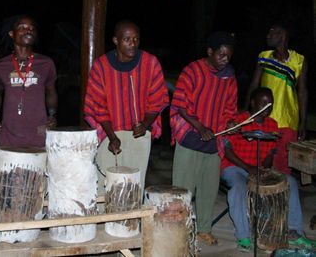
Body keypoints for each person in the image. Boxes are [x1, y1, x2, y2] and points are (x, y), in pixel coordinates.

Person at [222, 87, 314, 251]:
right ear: (252, 102)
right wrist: (248, 168)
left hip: (257, 168)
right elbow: (227, 152)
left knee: (290, 182)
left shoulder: (272, 125)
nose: (267, 107)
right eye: (263, 103)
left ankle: (293, 231)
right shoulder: (238, 121)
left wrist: (264, 169)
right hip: (235, 166)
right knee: (238, 188)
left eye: (270, 104)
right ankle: (244, 237)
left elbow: (269, 155)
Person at [84, 20, 169, 195]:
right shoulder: (101, 66)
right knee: (107, 185)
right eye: (127, 39)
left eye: (136, 39)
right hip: (109, 133)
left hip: (139, 133)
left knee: (134, 186)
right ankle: (104, 222)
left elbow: (157, 98)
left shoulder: (150, 63)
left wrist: (145, 124)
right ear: (116, 40)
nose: (133, 43)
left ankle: (131, 222)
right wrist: (112, 137)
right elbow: (98, 104)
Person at [170, 31, 238, 245]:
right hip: (191, 137)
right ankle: (177, 230)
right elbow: (180, 105)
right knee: (183, 189)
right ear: (210, 51)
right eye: (221, 55)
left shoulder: (229, 76)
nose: (225, 59)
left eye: (228, 55)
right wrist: (200, 126)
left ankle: (204, 229)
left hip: (214, 139)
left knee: (209, 189)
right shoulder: (193, 71)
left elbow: (229, 108)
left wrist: (229, 123)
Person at [245, 23, 308, 175]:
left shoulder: (299, 61)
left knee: (283, 164)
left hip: (288, 118)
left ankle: (282, 195)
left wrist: (303, 122)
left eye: (272, 33)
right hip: (265, 116)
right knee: (263, 159)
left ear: (282, 36)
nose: (268, 35)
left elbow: (302, 92)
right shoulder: (264, 57)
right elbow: (254, 83)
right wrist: (247, 109)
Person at [0, 15, 58, 148]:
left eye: (32, 28)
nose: (29, 30)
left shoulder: (46, 63)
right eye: (22, 27)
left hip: (39, 134)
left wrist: (52, 115)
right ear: (11, 34)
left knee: (39, 168)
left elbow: (51, 92)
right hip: (8, 134)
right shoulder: (0, 66)